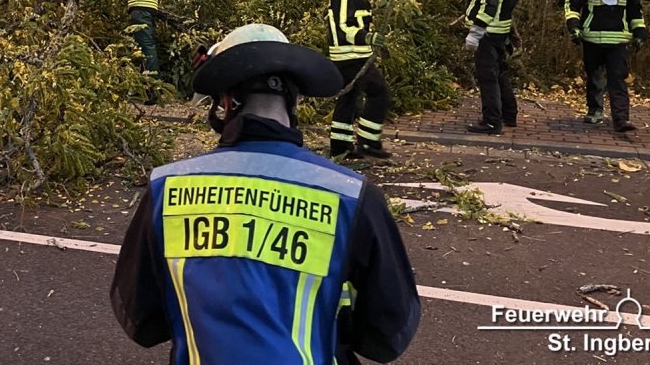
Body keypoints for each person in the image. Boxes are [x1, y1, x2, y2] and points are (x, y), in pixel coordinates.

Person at [110, 23, 421, 365]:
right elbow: (387, 337)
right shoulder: (348, 195)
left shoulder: (166, 188)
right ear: (295, 98)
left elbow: (142, 322)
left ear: (225, 102)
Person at [564, 0, 646, 133]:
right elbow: (573, 6)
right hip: (592, 39)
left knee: (617, 79)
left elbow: (636, 12)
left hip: (617, 41)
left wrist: (640, 32)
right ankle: (595, 111)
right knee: (594, 77)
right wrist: (574, 27)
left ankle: (621, 119)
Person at [326, 0, 392, 159]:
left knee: (349, 99)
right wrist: (367, 37)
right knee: (379, 92)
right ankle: (368, 141)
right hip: (351, 57)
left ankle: (341, 147)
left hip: (352, 55)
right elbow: (343, 26)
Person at [464, 0, 520, 135]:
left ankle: (491, 122)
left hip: (487, 34)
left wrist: (475, 32)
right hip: (501, 32)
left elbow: (489, 5)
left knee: (488, 78)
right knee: (502, 75)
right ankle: (509, 114)